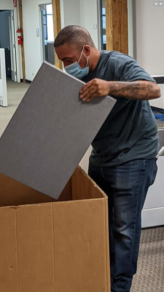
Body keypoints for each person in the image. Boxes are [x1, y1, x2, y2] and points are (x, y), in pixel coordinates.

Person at [54, 25, 160, 292]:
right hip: (102, 155)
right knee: (98, 222)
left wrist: (109, 87)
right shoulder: (77, 76)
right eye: (62, 61)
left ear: (86, 50)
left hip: (133, 157)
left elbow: (153, 89)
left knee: (124, 230)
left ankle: (119, 287)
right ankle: (101, 278)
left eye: (68, 60)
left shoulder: (118, 64)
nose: (66, 66)